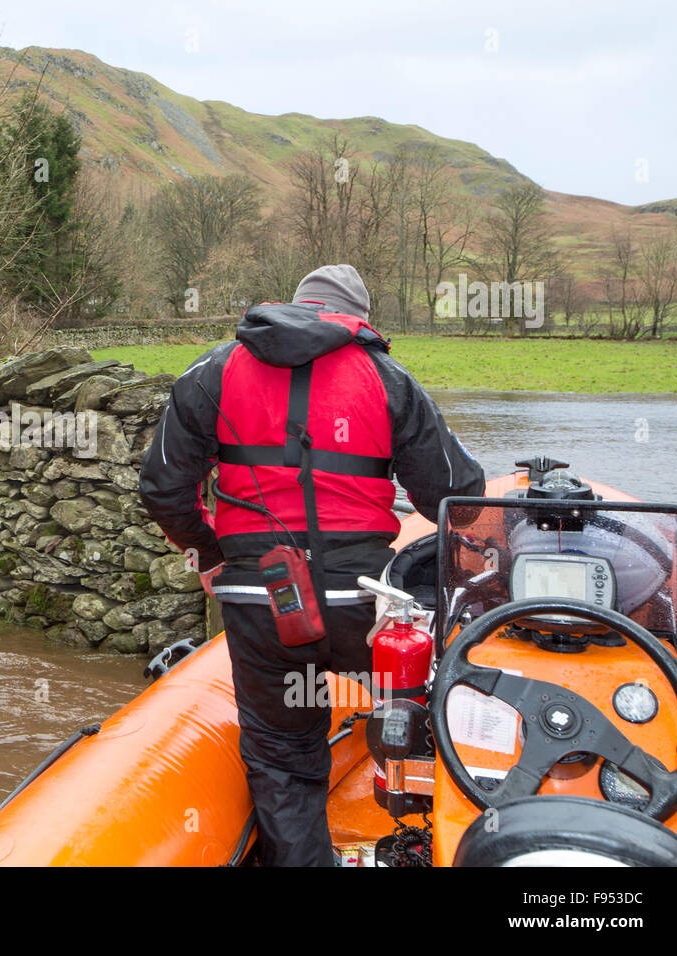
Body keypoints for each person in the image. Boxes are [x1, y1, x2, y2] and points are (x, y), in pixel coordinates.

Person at [139, 264, 484, 866]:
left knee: (280, 757)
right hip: (363, 606)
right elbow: (459, 494)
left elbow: (163, 490)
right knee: (431, 714)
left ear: (295, 304)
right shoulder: (386, 377)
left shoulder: (214, 371)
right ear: (357, 318)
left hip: (260, 603)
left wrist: (213, 554)